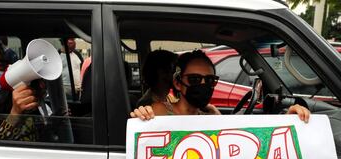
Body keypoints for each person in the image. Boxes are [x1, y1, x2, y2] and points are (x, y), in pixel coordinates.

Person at [131, 50, 310, 122]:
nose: (203, 85)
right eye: (194, 80)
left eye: (209, 81)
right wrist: (141, 119)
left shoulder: (208, 116)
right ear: (178, 82)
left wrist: (289, 120)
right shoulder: (160, 111)